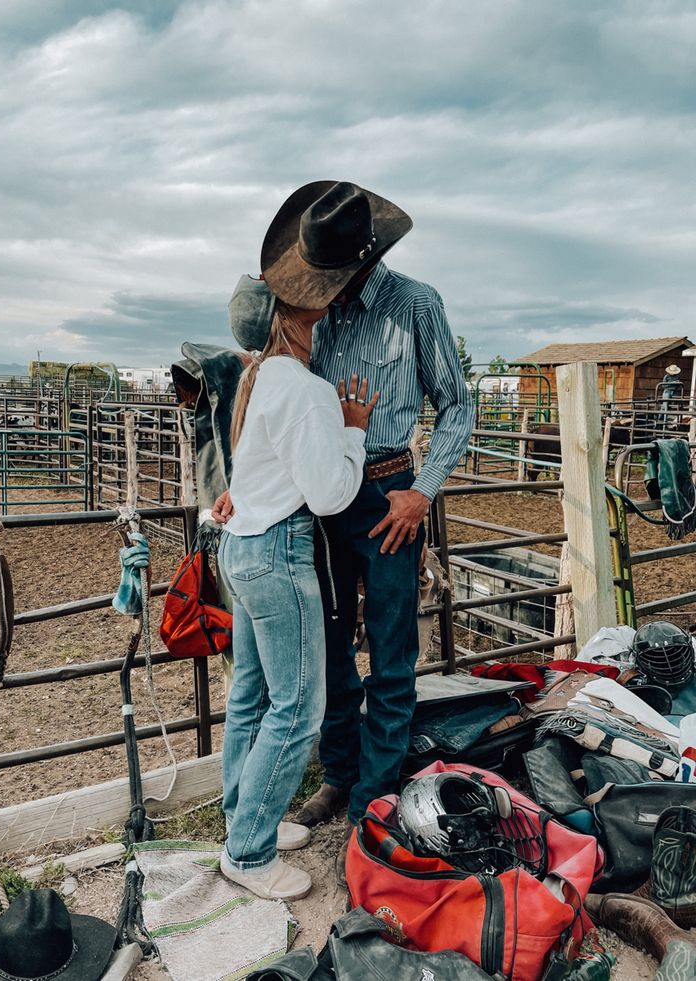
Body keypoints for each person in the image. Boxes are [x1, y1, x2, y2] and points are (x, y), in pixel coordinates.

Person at [217, 180, 475, 883]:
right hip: (320, 499)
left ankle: (375, 793)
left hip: (393, 492)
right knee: (328, 648)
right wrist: (244, 486)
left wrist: (422, 494)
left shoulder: (416, 305)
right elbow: (281, 416)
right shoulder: (311, 318)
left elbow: (457, 405)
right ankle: (340, 773)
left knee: (392, 648)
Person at [217, 272, 378, 901]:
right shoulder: (305, 390)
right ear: (293, 315)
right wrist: (354, 428)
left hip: (243, 550)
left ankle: (243, 820)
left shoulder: (257, 380)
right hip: (279, 551)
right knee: (299, 705)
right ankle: (249, 853)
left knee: (251, 697)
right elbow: (330, 493)